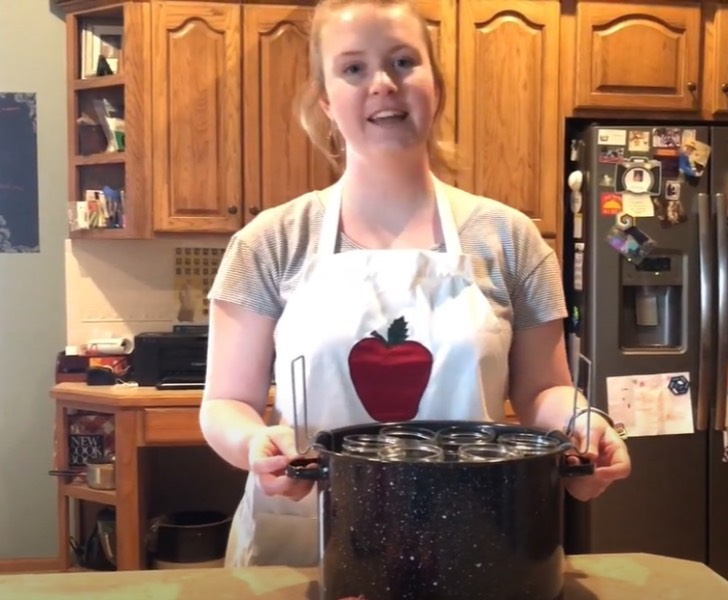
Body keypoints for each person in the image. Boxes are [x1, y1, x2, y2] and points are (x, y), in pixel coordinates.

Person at [199, 0, 631, 569]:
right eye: (353, 68)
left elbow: (541, 392)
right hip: (306, 540)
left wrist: (585, 428)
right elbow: (227, 403)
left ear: (437, 86)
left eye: (403, 61)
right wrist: (254, 445)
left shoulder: (511, 237)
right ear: (326, 99)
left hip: (472, 530)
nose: (382, 84)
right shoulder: (270, 240)